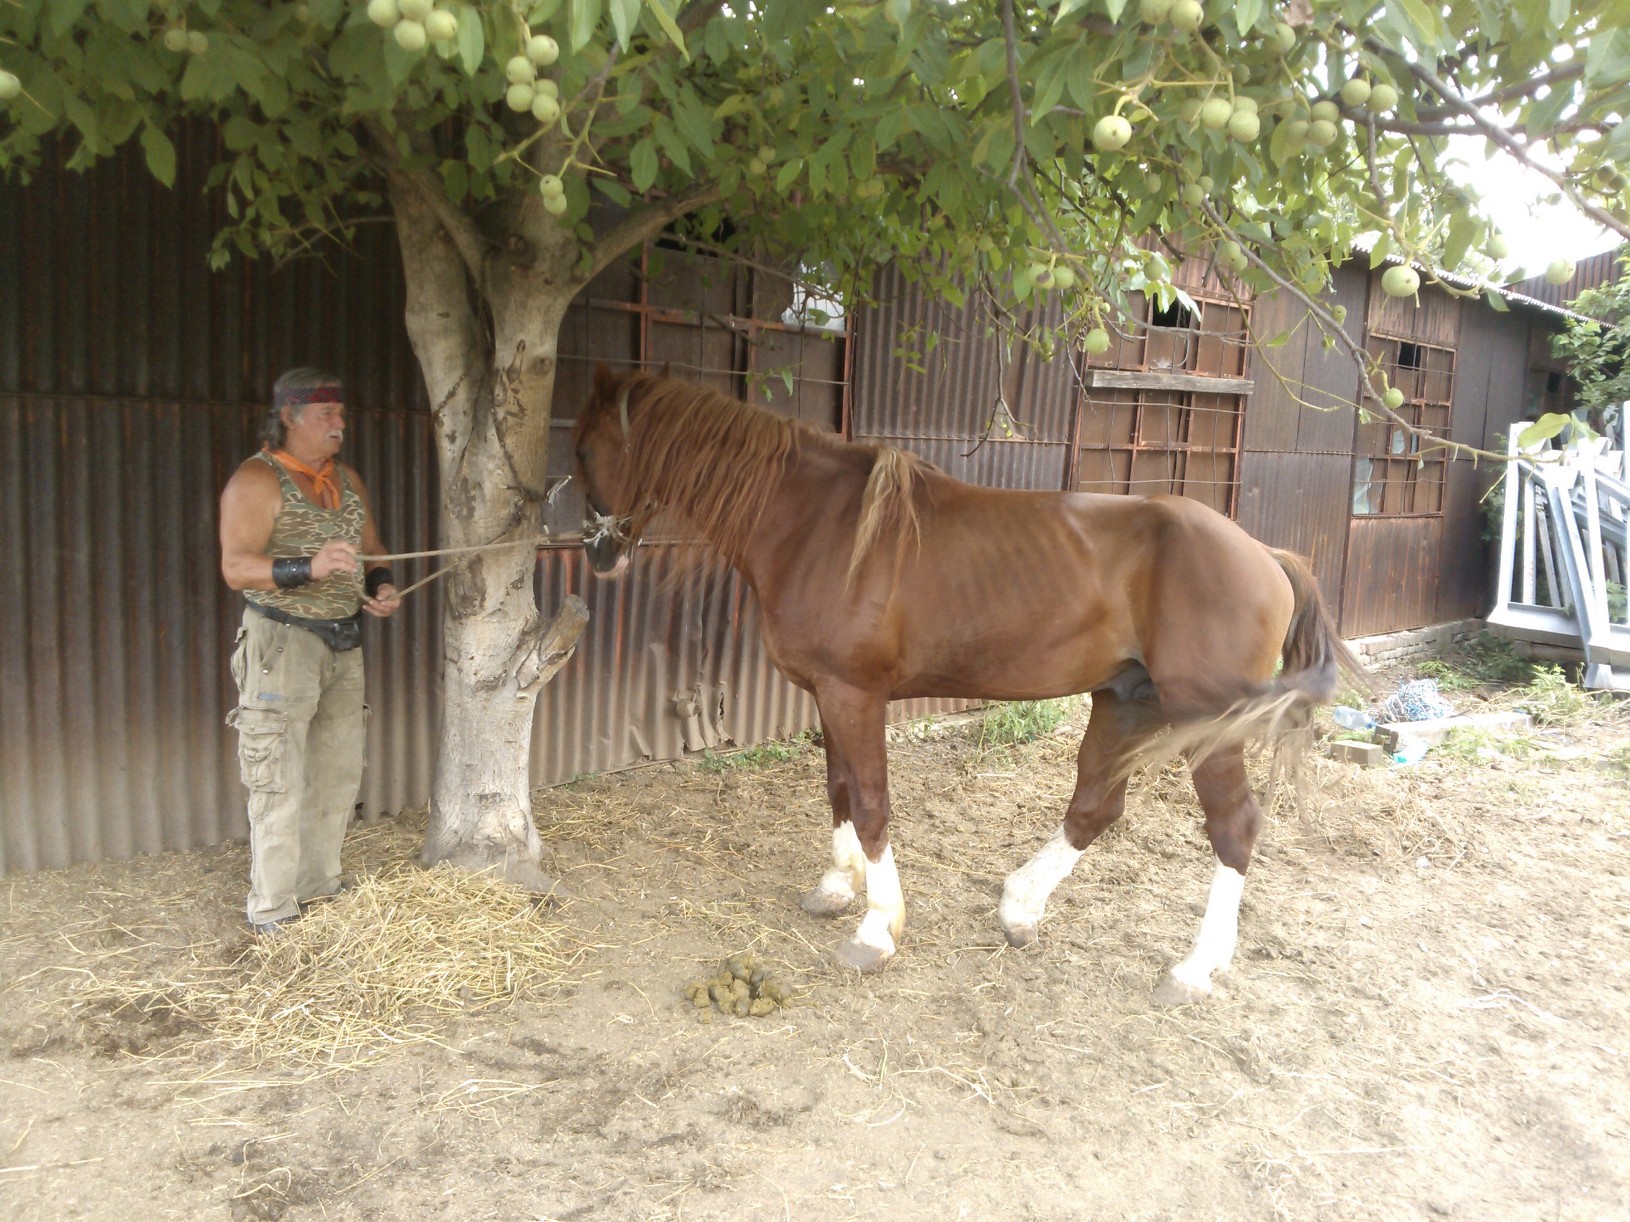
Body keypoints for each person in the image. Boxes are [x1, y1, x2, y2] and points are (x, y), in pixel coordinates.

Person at [219, 368, 401, 934]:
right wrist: (310, 567)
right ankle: (272, 908)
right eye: (327, 414)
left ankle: (319, 888)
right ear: (290, 418)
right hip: (282, 643)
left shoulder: (345, 479)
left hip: (343, 641)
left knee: (338, 771)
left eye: (340, 414)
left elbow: (372, 550)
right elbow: (235, 567)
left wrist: (382, 587)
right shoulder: (256, 481)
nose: (339, 423)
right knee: (277, 774)